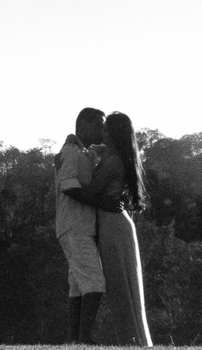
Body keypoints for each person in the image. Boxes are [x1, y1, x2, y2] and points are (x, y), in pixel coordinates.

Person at [85, 111, 152, 346]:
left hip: (113, 225)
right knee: (125, 285)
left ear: (113, 133)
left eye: (106, 130)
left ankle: (131, 340)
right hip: (116, 223)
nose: (102, 133)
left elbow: (91, 189)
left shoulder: (113, 161)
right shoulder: (114, 156)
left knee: (120, 286)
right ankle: (134, 339)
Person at [55, 107, 105, 343]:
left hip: (76, 226)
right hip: (75, 226)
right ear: (83, 124)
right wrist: (100, 202)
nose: (102, 131)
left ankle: (75, 340)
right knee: (95, 283)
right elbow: (68, 186)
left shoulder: (80, 151)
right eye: (98, 125)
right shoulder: (72, 151)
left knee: (77, 285)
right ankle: (85, 339)